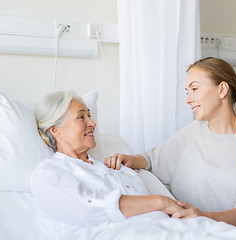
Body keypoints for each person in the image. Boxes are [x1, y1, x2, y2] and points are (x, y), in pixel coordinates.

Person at [105, 57, 236, 227]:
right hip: (184, 229)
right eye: (187, 92)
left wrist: (203, 216)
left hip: (227, 231)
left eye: (194, 89)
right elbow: (154, 160)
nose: (188, 99)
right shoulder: (193, 131)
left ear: (222, 89)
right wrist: (129, 159)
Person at [30, 91, 183, 236]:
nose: (92, 123)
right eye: (81, 117)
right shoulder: (49, 173)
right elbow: (87, 209)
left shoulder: (114, 166)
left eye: (89, 115)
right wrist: (161, 202)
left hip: (172, 229)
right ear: (56, 131)